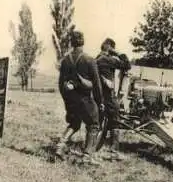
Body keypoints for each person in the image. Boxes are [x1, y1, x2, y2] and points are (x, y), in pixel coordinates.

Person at [56, 31, 104, 165]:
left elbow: (61, 84)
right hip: (85, 99)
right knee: (94, 124)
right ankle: (87, 156)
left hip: (71, 99)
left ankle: (60, 147)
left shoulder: (65, 60)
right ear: (83, 42)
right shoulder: (89, 60)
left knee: (74, 124)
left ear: (71, 43)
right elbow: (96, 84)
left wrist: (67, 99)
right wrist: (100, 102)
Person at [95, 38, 131, 161]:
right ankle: (114, 152)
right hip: (108, 97)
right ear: (110, 47)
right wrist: (118, 53)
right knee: (115, 121)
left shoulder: (96, 58)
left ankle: (93, 148)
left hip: (98, 97)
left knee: (99, 122)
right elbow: (127, 65)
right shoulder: (107, 60)